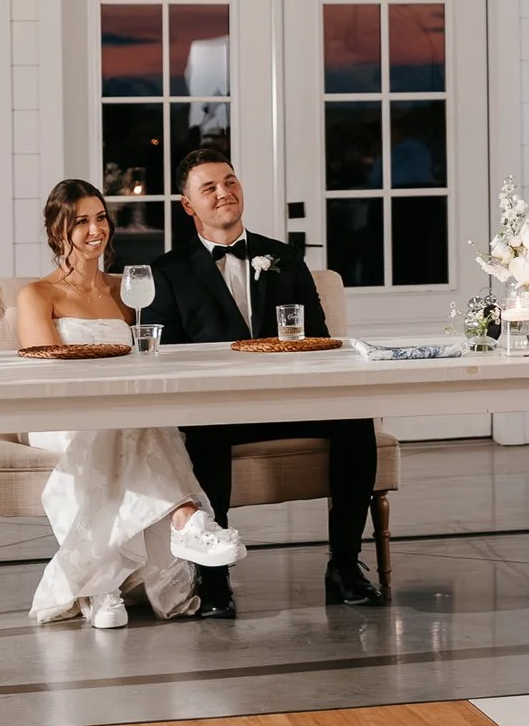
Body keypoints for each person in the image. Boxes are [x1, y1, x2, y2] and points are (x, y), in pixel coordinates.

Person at [149, 148, 386, 616]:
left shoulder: (281, 256)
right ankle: (213, 578)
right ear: (188, 205)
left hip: (289, 401)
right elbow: (164, 356)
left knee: (356, 422)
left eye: (230, 181)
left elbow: (320, 337)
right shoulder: (169, 271)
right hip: (218, 407)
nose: (225, 193)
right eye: (209, 187)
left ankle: (344, 566)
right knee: (203, 435)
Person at [18, 179, 244, 629]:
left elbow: (149, 357)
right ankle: (185, 520)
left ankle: (105, 588)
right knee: (129, 422)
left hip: (123, 409)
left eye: (100, 217)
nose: (95, 230)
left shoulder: (130, 289)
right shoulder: (37, 295)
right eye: (80, 221)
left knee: (135, 419)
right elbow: (49, 370)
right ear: (56, 230)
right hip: (62, 412)